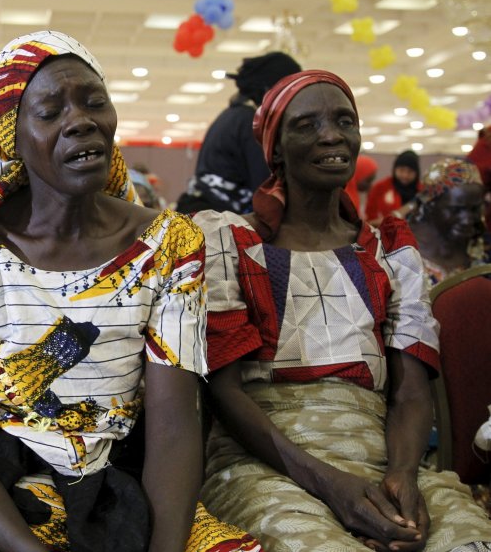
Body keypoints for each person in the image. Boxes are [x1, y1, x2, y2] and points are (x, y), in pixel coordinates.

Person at [0, 30, 259, 552]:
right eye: (50, 112)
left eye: (95, 102)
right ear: (12, 137)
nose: (81, 120)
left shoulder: (169, 243)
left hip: (126, 486)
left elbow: (174, 430)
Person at [193, 70, 491, 551]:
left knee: (468, 540)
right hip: (264, 466)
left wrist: (401, 481)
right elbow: (225, 396)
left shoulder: (391, 252)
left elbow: (412, 393)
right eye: (306, 125)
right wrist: (333, 486)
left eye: (343, 121)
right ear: (275, 149)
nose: (331, 135)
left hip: (383, 460)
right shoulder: (227, 243)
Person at [176, 51, 302, 214]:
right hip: (218, 219)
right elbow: (266, 187)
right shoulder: (251, 123)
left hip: (202, 211)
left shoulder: (233, 116)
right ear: (271, 89)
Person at [407, 158, 487, 286]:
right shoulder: (401, 252)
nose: (467, 220)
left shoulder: (480, 245)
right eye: (456, 210)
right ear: (430, 206)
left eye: (475, 209)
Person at [366, 150, 421, 225]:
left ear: (416, 173)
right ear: (395, 169)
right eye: (401, 170)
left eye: (410, 171)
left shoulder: (422, 191)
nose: (405, 175)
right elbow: (370, 218)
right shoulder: (381, 187)